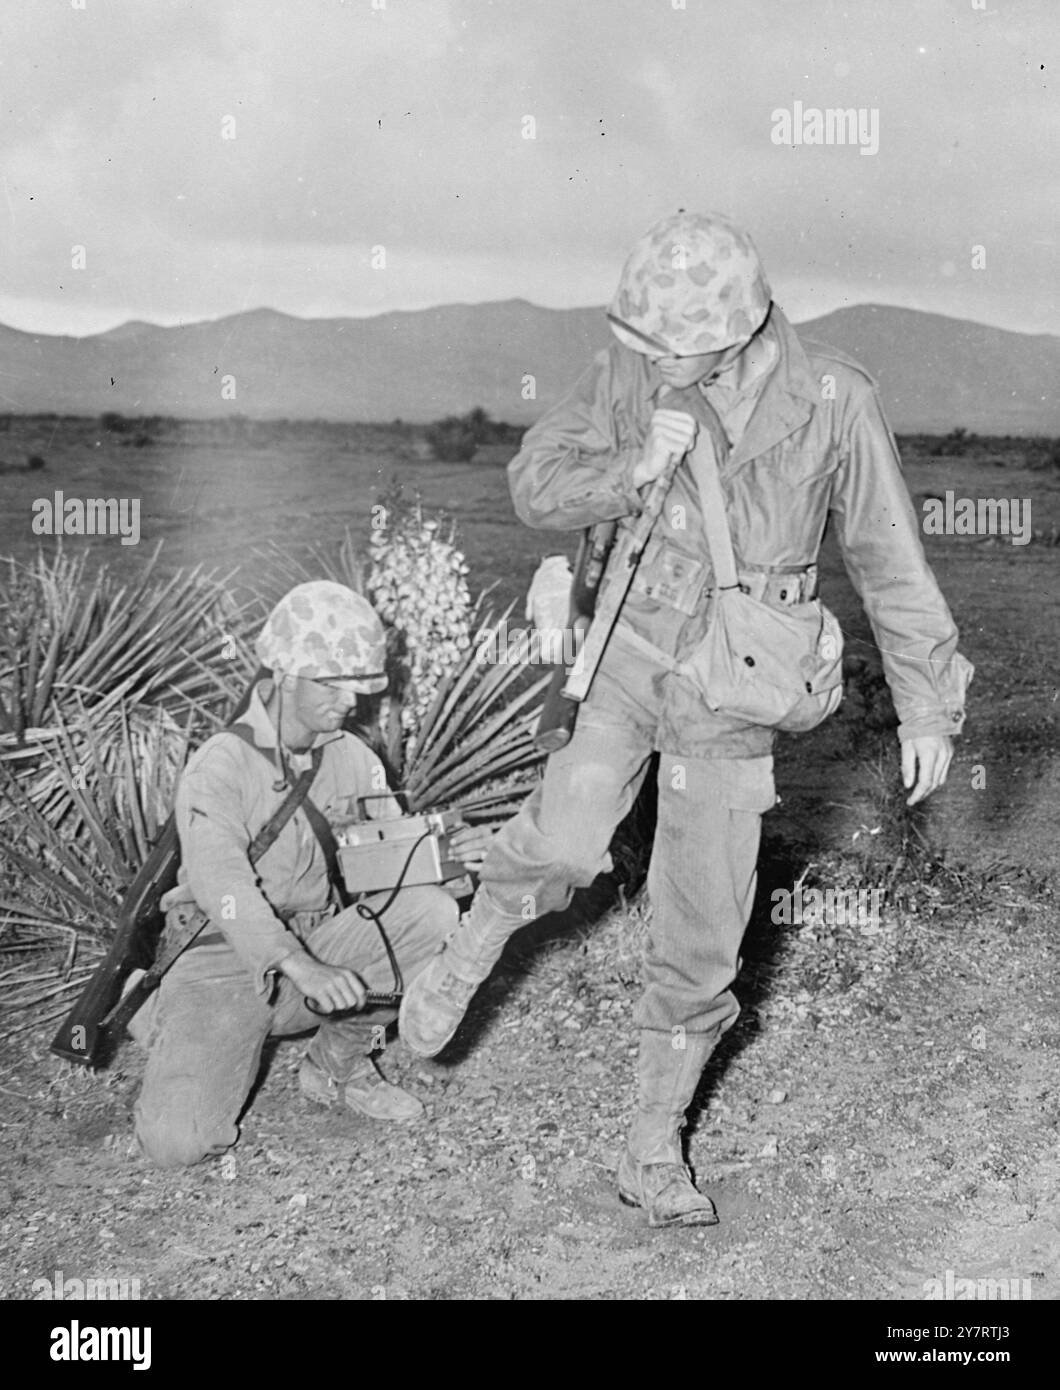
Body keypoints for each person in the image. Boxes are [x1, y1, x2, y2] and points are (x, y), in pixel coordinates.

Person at [399, 211, 973, 1228]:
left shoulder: (834, 396)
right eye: (645, 342)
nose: (650, 358)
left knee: (704, 921)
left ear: (741, 325)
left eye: (672, 345)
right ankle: (472, 941)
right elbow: (534, 484)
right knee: (568, 839)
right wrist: (627, 470)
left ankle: (649, 1144)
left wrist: (928, 702)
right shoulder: (630, 367)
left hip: (737, 680)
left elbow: (888, 554)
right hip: (629, 647)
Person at [132, 580, 490, 1169]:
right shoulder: (220, 765)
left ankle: (337, 1066)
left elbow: (392, 869)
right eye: (333, 682)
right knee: (178, 1144)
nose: (351, 699)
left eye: (359, 684)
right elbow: (224, 889)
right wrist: (299, 964)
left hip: (318, 950)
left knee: (429, 912)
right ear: (285, 674)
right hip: (222, 958)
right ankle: (160, 1014)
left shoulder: (351, 758)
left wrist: (451, 859)